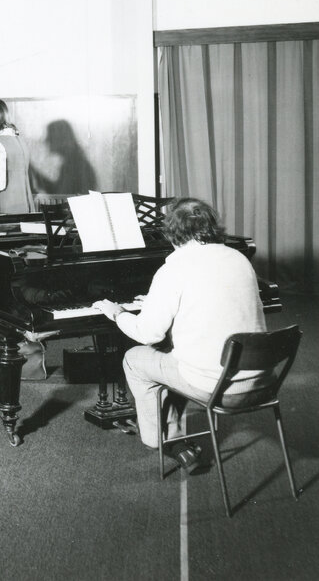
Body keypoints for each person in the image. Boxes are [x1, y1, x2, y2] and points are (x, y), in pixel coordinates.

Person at [93, 198, 268, 472]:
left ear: (171, 233)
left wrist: (117, 313)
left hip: (216, 388)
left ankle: (158, 439)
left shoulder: (173, 269)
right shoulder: (239, 259)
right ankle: (174, 437)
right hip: (262, 382)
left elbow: (147, 333)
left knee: (134, 359)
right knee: (174, 353)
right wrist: (156, 302)